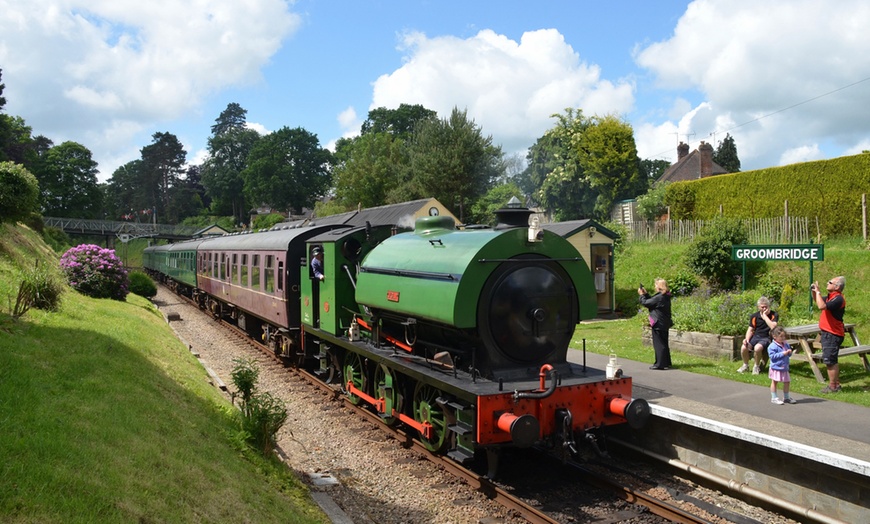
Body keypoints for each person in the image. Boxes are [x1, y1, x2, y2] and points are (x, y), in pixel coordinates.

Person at [812, 276, 846, 393]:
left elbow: (822, 306)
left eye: (830, 282)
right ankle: (836, 384)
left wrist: (818, 292)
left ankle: (833, 387)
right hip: (829, 333)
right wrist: (814, 292)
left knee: (830, 361)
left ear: (837, 287)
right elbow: (818, 301)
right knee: (831, 359)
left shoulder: (838, 299)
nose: (827, 283)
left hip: (832, 333)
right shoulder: (832, 297)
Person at [738, 296, 778, 375]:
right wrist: (747, 339)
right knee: (744, 347)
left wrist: (765, 316)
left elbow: (773, 327)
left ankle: (756, 366)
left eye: (766, 307)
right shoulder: (754, 316)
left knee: (757, 348)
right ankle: (745, 365)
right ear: (758, 307)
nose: (764, 309)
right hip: (756, 337)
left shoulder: (774, 315)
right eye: (762, 307)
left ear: (769, 306)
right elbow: (750, 329)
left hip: (767, 338)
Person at [639, 278, 673, 370]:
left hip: (658, 323)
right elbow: (652, 301)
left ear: (659, 287)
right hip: (664, 322)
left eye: (655, 285)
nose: (654, 287)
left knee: (659, 344)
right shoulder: (665, 296)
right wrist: (645, 294)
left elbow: (646, 303)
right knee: (664, 343)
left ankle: (660, 364)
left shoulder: (659, 297)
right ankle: (666, 362)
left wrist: (642, 295)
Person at [767, 326, 796, 404]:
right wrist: (782, 354)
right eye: (781, 336)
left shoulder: (785, 344)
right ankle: (774, 397)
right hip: (776, 367)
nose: (783, 338)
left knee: (787, 381)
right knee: (775, 382)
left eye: (784, 336)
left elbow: (788, 355)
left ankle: (786, 397)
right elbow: (772, 357)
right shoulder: (772, 346)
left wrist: (789, 352)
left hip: (784, 367)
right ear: (775, 336)